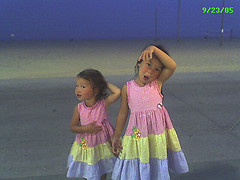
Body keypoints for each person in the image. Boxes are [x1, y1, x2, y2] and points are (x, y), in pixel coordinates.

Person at [111, 45, 189, 180]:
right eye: (148, 64)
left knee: (155, 163)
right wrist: (116, 136)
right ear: (139, 62)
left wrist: (153, 48)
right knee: (138, 164)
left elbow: (172, 66)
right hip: (138, 135)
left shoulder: (157, 84)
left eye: (157, 69)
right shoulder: (127, 88)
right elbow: (123, 113)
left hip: (156, 134)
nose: (151, 71)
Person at [67, 69, 121, 180]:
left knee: (102, 170)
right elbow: (73, 127)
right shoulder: (79, 108)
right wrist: (85, 128)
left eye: (83, 86)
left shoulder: (103, 104)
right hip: (88, 145)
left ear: (95, 90)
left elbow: (117, 92)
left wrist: (103, 83)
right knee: (88, 171)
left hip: (102, 145)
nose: (78, 89)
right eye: (76, 86)